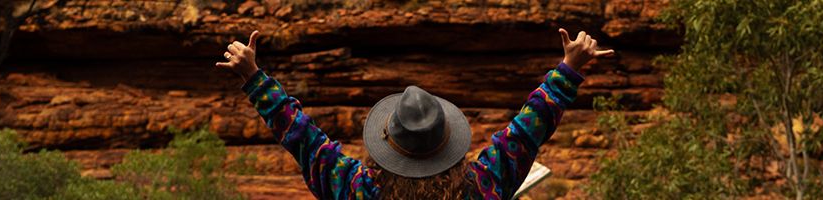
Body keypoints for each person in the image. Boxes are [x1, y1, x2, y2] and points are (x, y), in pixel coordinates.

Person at [216, 29, 614, 199]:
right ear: (449, 145)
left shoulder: (355, 190)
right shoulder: (481, 186)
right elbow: (528, 130)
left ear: (386, 145)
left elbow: (303, 139)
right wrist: (568, 70)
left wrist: (254, 78)